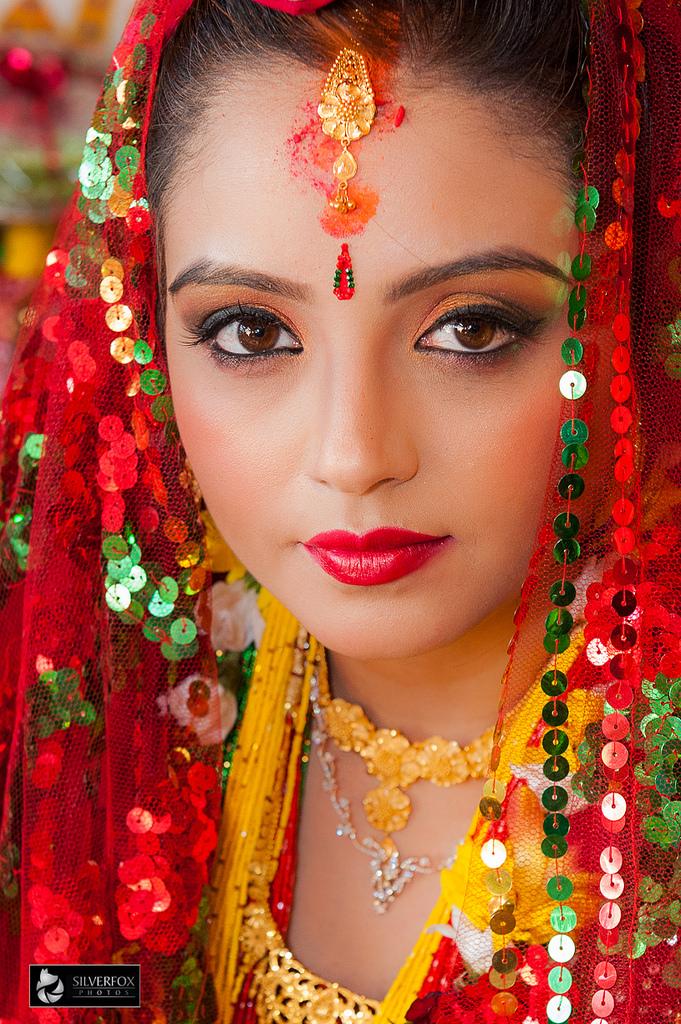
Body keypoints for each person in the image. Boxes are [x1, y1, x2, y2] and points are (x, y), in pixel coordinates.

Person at [0, 0, 680, 1022]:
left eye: (473, 328)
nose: (354, 456)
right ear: (143, 337)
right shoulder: (127, 698)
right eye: (249, 330)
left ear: (631, 308)